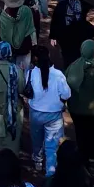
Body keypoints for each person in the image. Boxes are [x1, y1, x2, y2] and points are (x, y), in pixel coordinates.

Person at [25, 45, 70, 175]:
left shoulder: (31, 73)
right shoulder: (58, 75)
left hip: (35, 113)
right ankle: (51, 171)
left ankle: (37, 161)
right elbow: (66, 94)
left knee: (37, 139)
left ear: (35, 58)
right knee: (52, 145)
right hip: (54, 115)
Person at [49, 0, 94, 70]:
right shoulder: (86, 6)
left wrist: (53, 36)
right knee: (78, 58)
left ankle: (68, 74)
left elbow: (55, 21)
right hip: (80, 38)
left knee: (67, 58)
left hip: (64, 38)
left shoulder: (61, 5)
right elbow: (90, 25)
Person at [0, 0, 37, 71]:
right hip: (25, 47)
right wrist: (34, 45)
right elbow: (31, 29)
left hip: (9, 49)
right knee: (22, 72)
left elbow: (2, 35)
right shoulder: (27, 11)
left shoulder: (4, 15)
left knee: (9, 71)